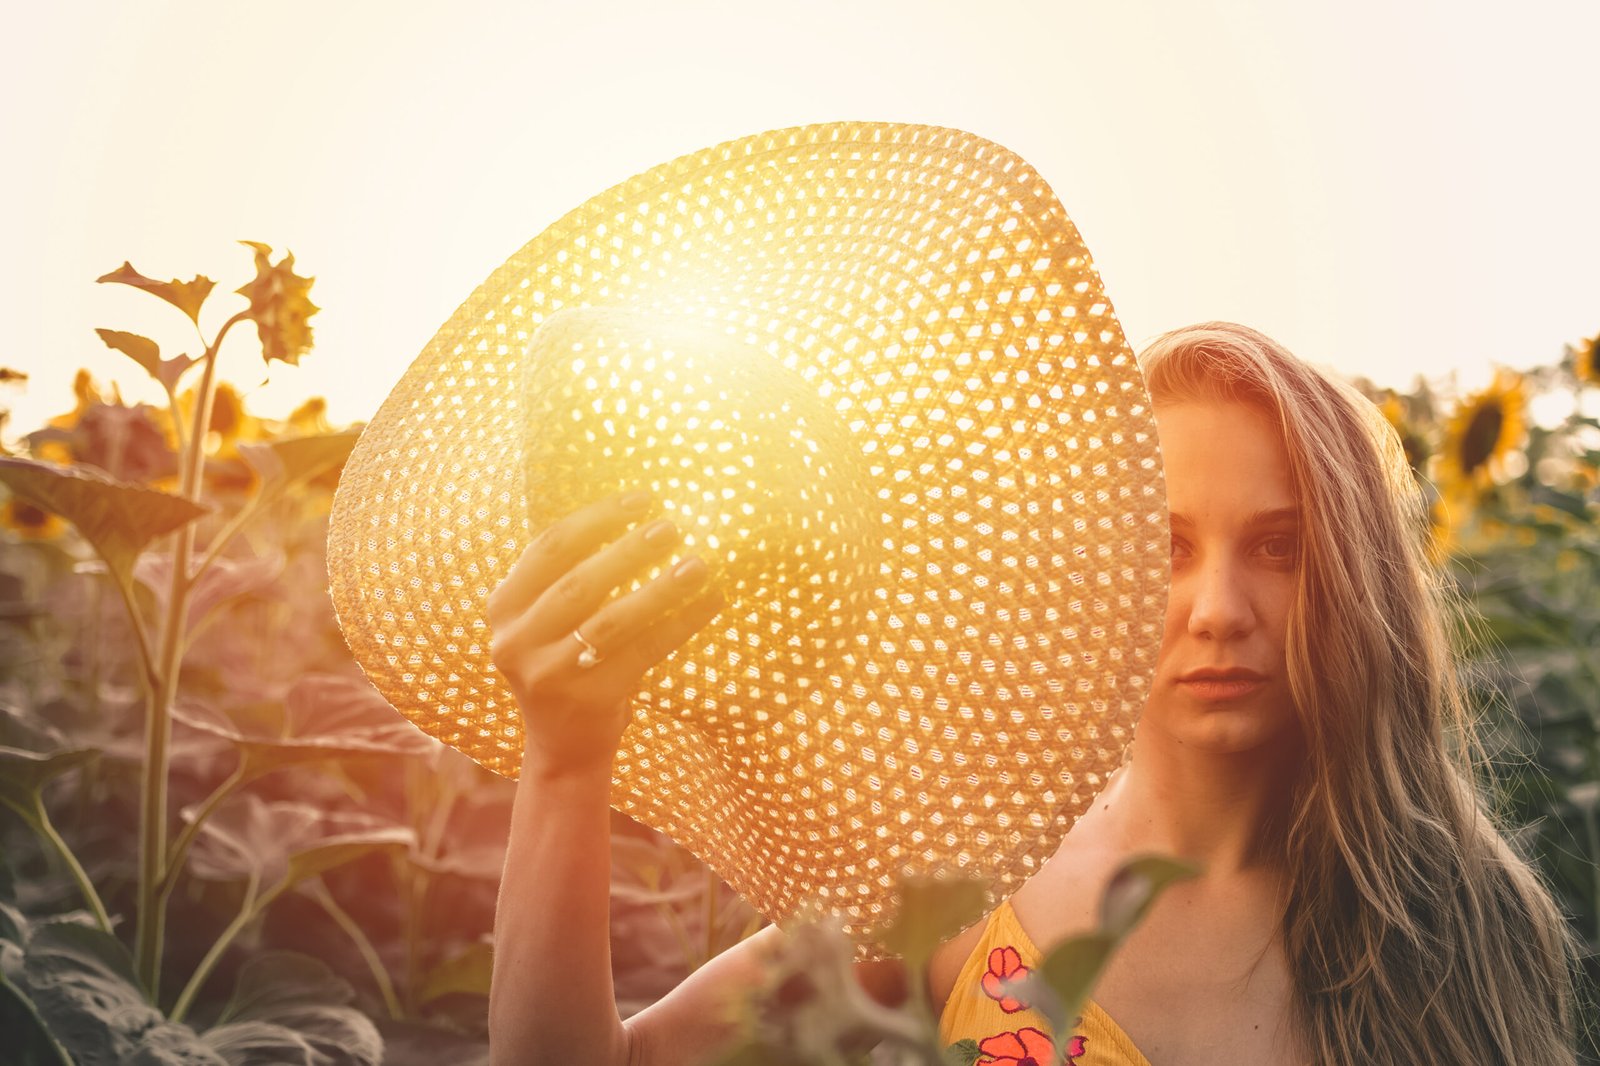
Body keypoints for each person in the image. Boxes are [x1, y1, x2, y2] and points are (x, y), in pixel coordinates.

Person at [485, 321, 1581, 1066]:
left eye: (1281, 545)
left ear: (1357, 577)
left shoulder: (1463, 923)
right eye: (1163, 545)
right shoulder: (957, 881)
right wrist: (569, 758)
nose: (1216, 607)